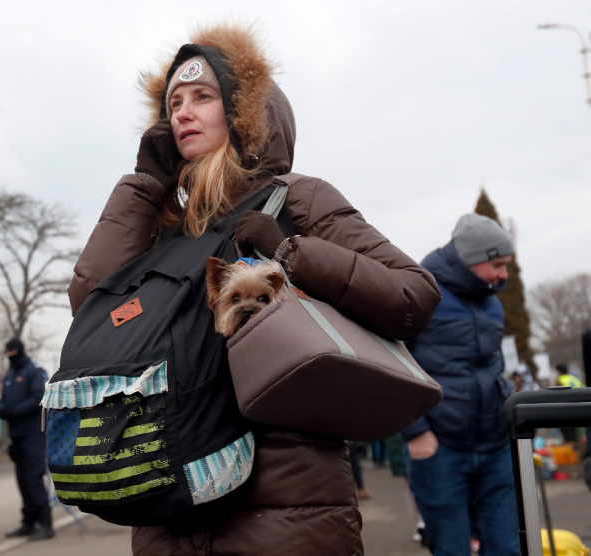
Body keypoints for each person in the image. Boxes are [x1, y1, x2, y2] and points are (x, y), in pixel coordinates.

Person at [67, 22, 441, 554]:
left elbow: (414, 295)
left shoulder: (299, 199)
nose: (182, 113)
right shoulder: (165, 223)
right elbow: (91, 313)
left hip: (283, 508)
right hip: (170, 509)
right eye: (173, 103)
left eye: (202, 97)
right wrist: (143, 189)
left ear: (246, 115)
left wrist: (294, 253)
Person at [401, 213, 521, 555]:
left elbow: (493, 369)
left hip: (496, 446)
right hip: (441, 449)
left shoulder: (493, 305)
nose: (504, 275)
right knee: (451, 549)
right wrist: (416, 431)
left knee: (507, 548)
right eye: (497, 264)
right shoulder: (420, 296)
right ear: (470, 259)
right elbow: (395, 367)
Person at [0, 338, 54, 541]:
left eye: (13, 353)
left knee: (33, 479)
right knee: (22, 481)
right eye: (7, 353)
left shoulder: (33, 371)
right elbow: (5, 400)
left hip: (33, 435)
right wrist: (2, 410)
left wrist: (13, 411)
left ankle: (46, 524)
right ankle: (28, 523)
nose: (10, 356)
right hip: (17, 436)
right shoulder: (10, 375)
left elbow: (39, 397)